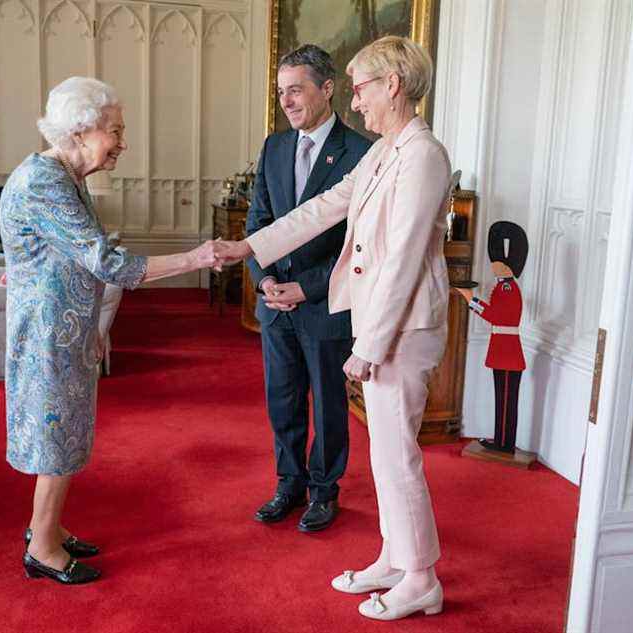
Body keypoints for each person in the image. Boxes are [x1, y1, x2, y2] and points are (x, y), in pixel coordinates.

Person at [215, 36, 452, 621]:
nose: (357, 99)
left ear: (392, 85)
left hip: (401, 328)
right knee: (385, 455)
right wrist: (247, 245)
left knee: (398, 457)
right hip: (382, 322)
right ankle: (396, 558)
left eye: (363, 86)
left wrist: (369, 345)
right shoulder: (385, 152)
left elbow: (401, 258)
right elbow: (319, 210)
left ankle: (421, 578)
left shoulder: (423, 154)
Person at [0, 76, 222, 585]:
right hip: (48, 335)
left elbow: (68, 259)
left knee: (67, 433)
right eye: (115, 131)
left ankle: (46, 528)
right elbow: (106, 262)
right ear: (80, 131)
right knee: (56, 436)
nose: (122, 142)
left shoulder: (66, 178)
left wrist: (95, 323)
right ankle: (43, 548)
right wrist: (195, 257)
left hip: (65, 327)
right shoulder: (44, 182)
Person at [246, 44, 372, 532]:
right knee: (283, 398)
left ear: (327, 88)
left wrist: (307, 287)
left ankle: (324, 490)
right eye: (281, 92)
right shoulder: (274, 147)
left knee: (328, 402)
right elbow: (262, 220)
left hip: (326, 303)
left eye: (295, 90)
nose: (287, 101)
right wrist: (266, 280)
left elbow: (359, 244)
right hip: (275, 303)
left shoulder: (361, 153)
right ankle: (289, 483)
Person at [455, 221, 529, 453]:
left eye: (497, 265)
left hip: (507, 350)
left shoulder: (508, 288)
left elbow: (496, 316)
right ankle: (501, 440)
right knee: (503, 399)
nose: (494, 268)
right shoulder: (503, 286)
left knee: (506, 400)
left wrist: (471, 300)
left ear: (508, 268)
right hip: (503, 348)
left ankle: (504, 443)